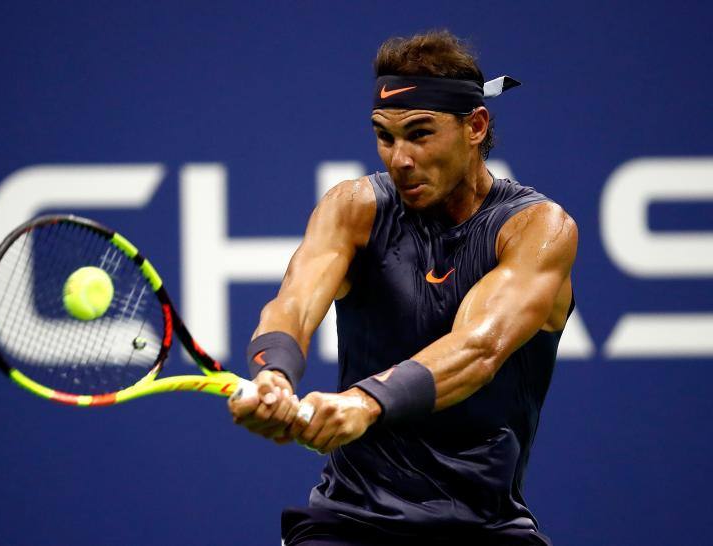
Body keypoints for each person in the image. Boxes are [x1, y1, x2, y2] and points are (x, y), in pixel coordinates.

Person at [228, 30, 576, 546]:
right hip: (346, 523)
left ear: (475, 126)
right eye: (385, 136)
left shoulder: (536, 228)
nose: (399, 158)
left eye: (420, 133)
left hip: (485, 528)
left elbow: (477, 349)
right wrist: (274, 372)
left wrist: (365, 403)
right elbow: (293, 305)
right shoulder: (354, 208)